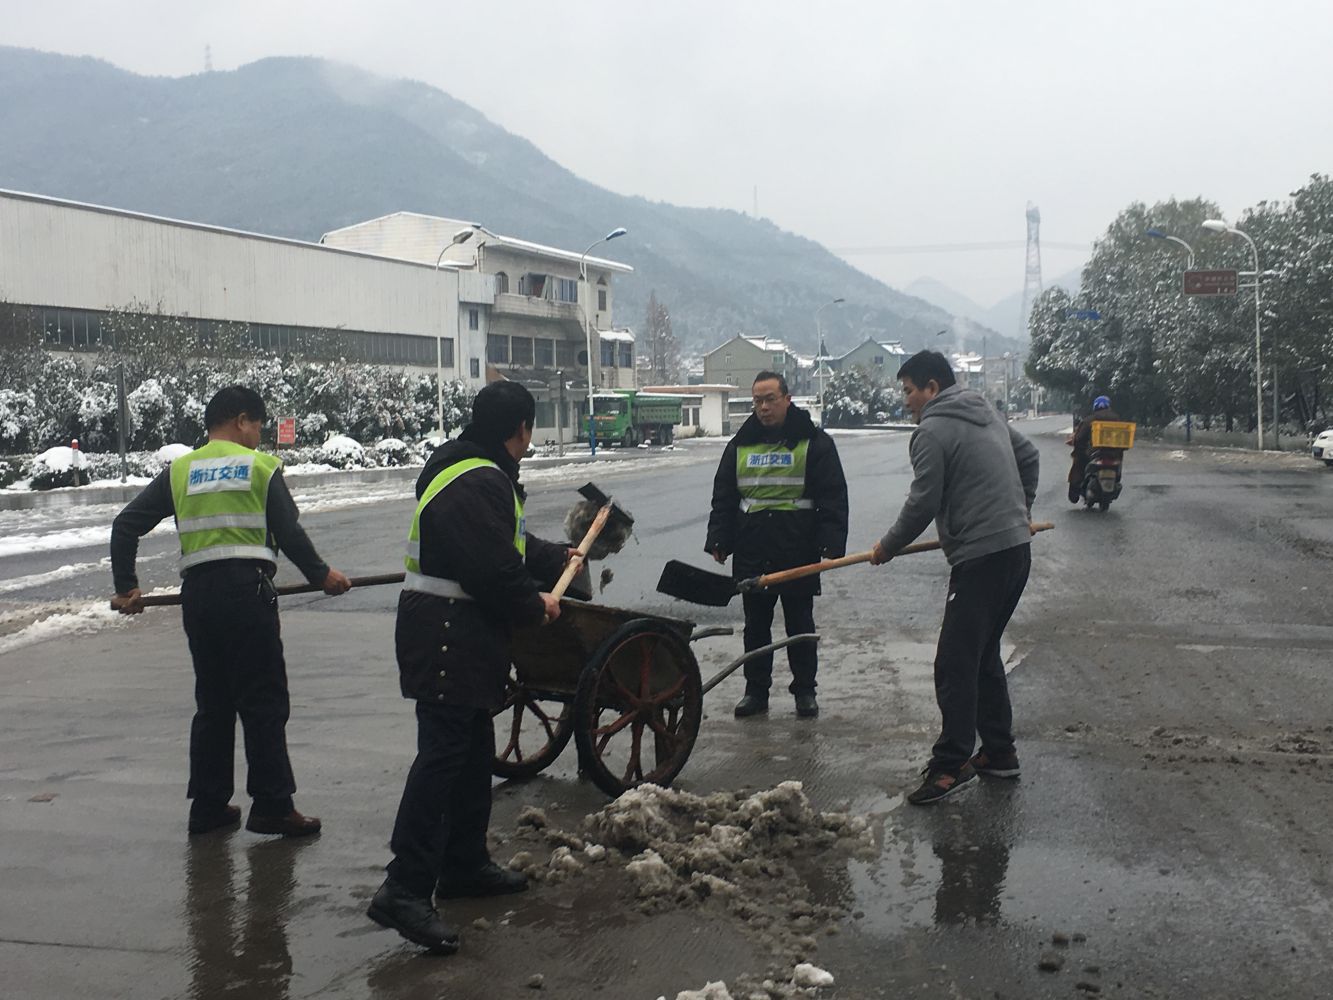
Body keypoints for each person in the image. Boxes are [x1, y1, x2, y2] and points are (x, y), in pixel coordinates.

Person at [368, 381, 578, 955]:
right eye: (530, 430)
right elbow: (492, 571)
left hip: (459, 632)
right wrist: (535, 605)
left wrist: (556, 557)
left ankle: (463, 863)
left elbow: (503, 545)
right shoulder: (478, 479)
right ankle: (404, 888)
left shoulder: (475, 473)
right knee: (443, 756)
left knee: (471, 750)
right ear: (521, 429)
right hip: (446, 632)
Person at [110, 385, 351, 837]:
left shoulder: (181, 470)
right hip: (247, 593)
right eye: (257, 426)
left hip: (199, 598)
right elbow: (289, 532)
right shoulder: (259, 467)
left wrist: (128, 586)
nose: (259, 435)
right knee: (263, 700)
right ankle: (272, 806)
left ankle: (208, 807)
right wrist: (323, 575)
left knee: (214, 703)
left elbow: (125, 525)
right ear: (241, 421)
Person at [870, 350, 1039, 805]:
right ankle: (999, 752)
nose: (906, 400)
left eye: (909, 391)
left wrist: (888, 546)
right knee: (981, 655)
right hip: (1015, 551)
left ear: (932, 388)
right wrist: (1021, 511)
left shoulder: (930, 431)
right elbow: (1029, 455)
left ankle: (950, 765)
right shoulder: (985, 411)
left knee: (955, 662)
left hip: (982, 558)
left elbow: (923, 501)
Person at [706, 370, 849, 719]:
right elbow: (724, 496)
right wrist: (719, 538)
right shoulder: (740, 444)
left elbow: (833, 495)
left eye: (770, 399)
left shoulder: (814, 442)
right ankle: (755, 692)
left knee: (800, 625)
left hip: (797, 547)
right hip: (752, 546)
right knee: (756, 626)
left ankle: (805, 692)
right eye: (758, 401)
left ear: (787, 399)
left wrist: (831, 543)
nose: (764, 407)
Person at [1066, 395, 1123, 503]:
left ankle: (1075, 490)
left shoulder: (1089, 420)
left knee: (1078, 464)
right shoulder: (1117, 419)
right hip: (1114, 454)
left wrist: (1077, 446)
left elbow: (1079, 438)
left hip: (1094, 453)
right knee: (1119, 459)